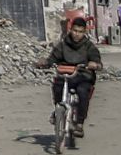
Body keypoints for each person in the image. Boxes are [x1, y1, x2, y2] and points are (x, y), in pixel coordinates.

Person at [37, 15, 103, 144]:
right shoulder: (63, 45)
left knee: (83, 92)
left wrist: (95, 65)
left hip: (83, 75)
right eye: (75, 30)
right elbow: (53, 58)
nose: (77, 34)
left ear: (84, 32)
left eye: (80, 31)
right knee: (57, 86)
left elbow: (97, 61)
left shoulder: (89, 47)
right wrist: (44, 62)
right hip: (66, 75)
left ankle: (79, 123)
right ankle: (58, 111)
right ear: (70, 30)